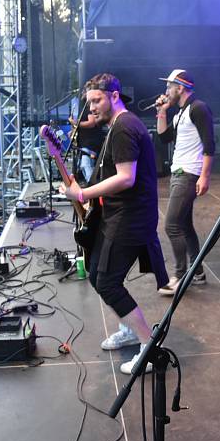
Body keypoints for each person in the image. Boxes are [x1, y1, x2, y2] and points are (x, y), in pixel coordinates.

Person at [60, 73, 169, 374]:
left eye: (96, 100)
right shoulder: (118, 126)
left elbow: (125, 178)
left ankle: (148, 347)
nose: (91, 108)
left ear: (114, 96)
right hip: (118, 216)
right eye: (89, 102)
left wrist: (82, 193)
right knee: (98, 276)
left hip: (129, 219)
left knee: (106, 281)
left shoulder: (123, 127)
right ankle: (131, 329)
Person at [153, 69, 215, 294]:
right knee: (185, 226)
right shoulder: (180, 114)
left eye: (169, 87)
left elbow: (210, 144)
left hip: (189, 174)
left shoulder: (198, 108)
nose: (166, 91)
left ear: (180, 88)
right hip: (179, 173)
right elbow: (163, 138)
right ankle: (197, 272)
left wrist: (205, 176)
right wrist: (162, 112)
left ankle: (180, 275)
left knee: (171, 225)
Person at [68, 96, 105, 185]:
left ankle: (94, 188)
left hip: (90, 143)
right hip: (84, 144)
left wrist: (75, 123)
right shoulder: (83, 110)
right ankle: (91, 186)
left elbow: (92, 123)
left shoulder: (89, 109)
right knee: (82, 166)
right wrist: (73, 132)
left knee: (86, 165)